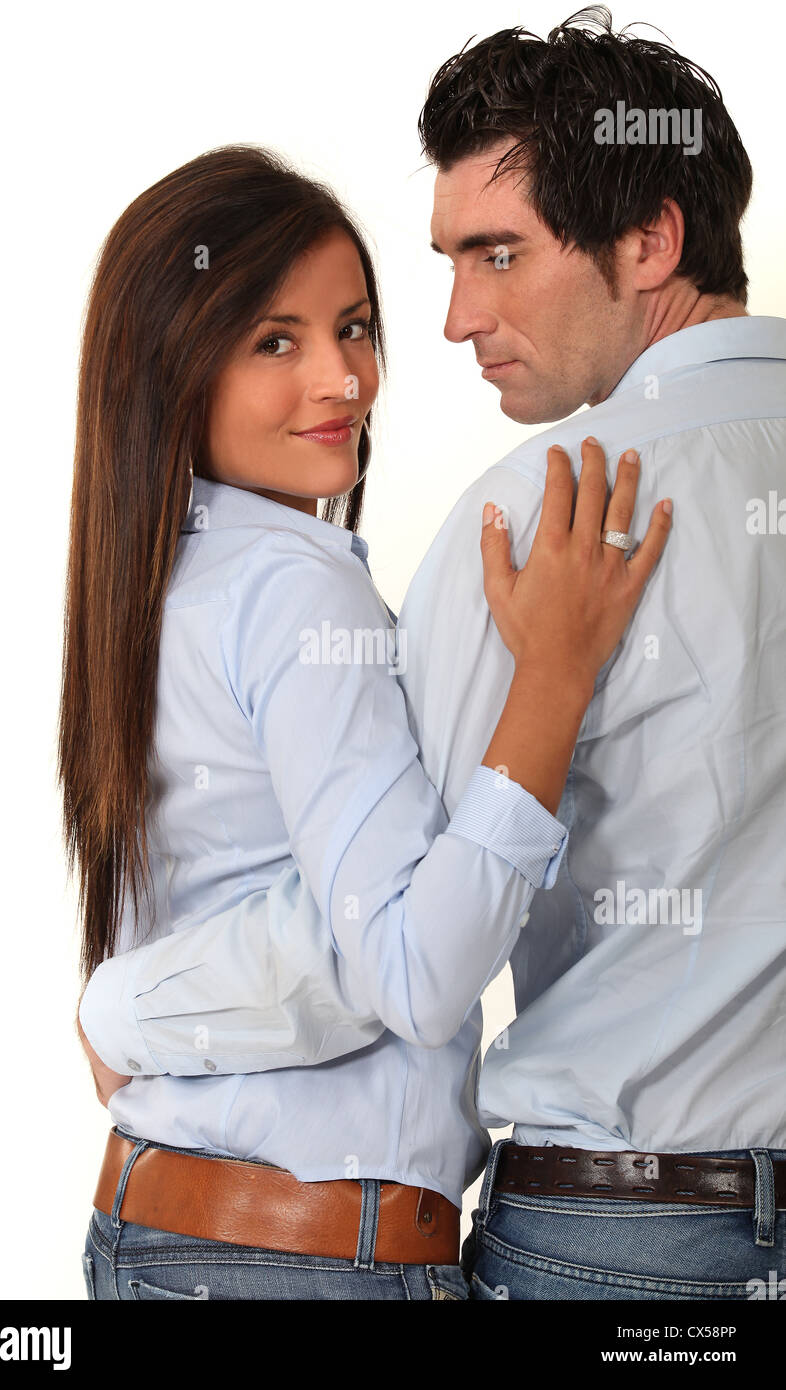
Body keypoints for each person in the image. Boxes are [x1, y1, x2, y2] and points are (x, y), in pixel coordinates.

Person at [79, 10, 786, 1300]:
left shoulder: (539, 514)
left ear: (648, 241)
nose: (449, 324)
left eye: (499, 254)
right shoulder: (285, 579)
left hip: (596, 1238)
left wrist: (119, 1014)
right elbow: (404, 933)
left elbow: (397, 950)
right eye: (278, 340)